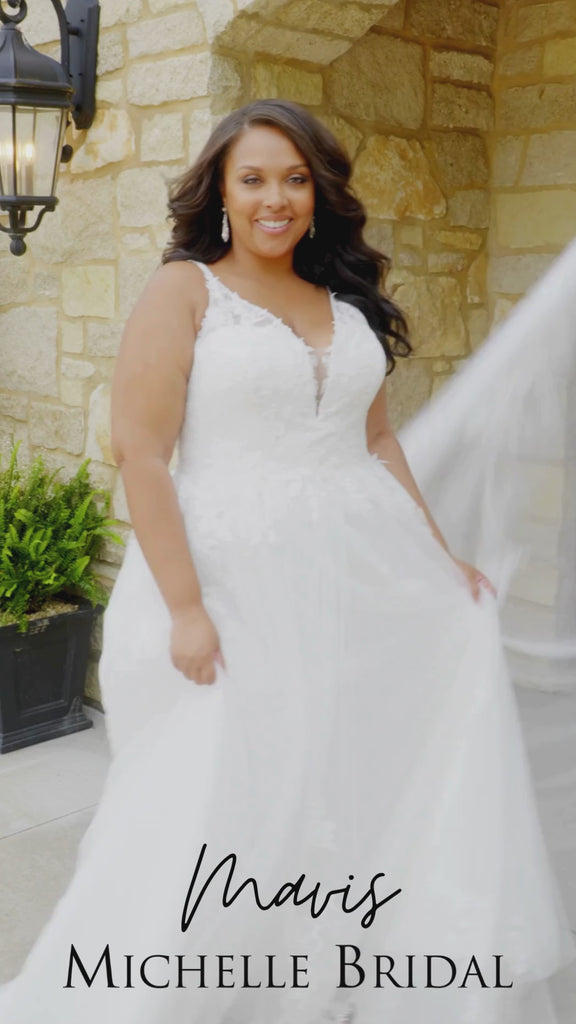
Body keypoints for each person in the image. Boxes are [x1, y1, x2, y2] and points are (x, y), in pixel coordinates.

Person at [0, 98, 574, 1024]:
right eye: (255, 178)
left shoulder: (344, 303)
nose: (277, 198)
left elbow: (377, 441)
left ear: (319, 193)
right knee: (223, 792)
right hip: (230, 579)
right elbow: (140, 453)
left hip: (355, 571)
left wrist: (442, 562)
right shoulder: (185, 290)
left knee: (344, 772)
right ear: (222, 193)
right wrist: (187, 609)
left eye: (296, 179)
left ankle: (328, 968)